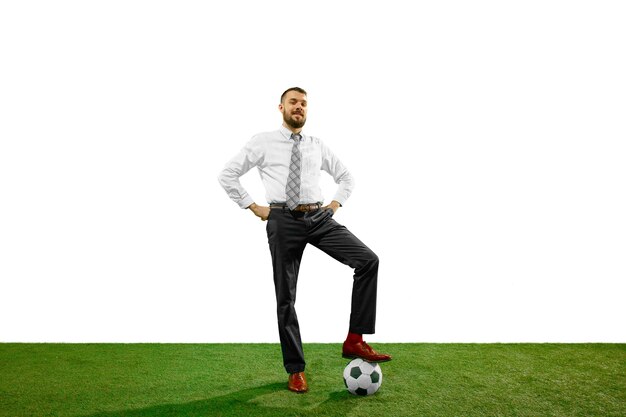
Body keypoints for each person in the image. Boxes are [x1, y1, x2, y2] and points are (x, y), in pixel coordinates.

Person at [218, 87, 391, 393]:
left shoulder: (316, 145)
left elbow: (347, 177)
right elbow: (228, 174)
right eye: (293, 102)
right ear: (281, 107)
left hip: (319, 218)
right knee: (286, 297)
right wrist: (253, 206)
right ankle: (295, 369)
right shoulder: (263, 141)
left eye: (304, 104)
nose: (299, 107)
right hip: (283, 220)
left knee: (367, 261)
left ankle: (355, 340)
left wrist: (334, 205)